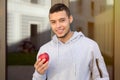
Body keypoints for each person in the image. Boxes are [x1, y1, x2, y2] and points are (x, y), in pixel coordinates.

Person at [32, 3, 109, 80]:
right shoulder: (44, 49)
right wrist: (39, 74)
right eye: (53, 22)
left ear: (70, 19)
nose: (58, 26)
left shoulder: (90, 46)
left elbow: (102, 77)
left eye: (62, 20)